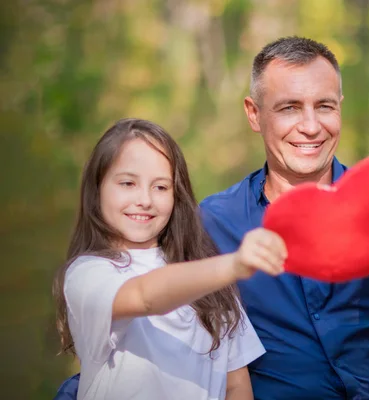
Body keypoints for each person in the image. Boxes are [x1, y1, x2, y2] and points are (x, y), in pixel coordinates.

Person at [199, 37, 369, 399]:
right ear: (254, 114)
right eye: (290, 108)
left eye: (324, 106)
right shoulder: (213, 222)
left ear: (340, 108)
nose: (310, 127)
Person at [52, 118, 287, 400]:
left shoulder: (208, 275)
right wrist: (234, 265)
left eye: (161, 187)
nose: (145, 200)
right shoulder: (88, 274)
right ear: (97, 188)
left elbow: (236, 384)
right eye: (127, 183)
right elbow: (144, 296)